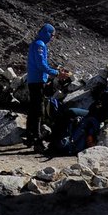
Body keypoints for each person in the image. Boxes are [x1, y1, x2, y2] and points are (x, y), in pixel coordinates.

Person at [25, 23, 60, 153]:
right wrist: (55, 73)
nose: (52, 38)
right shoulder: (40, 45)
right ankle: (37, 139)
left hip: (33, 80)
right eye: (52, 35)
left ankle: (29, 137)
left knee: (33, 109)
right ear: (47, 33)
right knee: (38, 110)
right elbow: (41, 65)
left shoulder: (36, 43)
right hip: (38, 81)